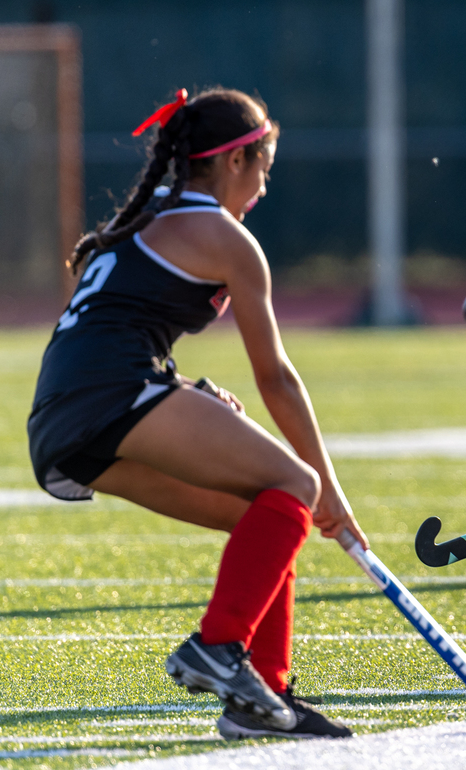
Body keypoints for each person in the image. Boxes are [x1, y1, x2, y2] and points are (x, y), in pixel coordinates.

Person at [27, 87, 365, 739]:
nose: (263, 189)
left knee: (264, 517)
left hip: (64, 420)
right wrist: (331, 491)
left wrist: (183, 388)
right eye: (263, 170)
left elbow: (111, 325)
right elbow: (278, 379)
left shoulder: (144, 218)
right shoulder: (224, 237)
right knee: (296, 487)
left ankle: (264, 700)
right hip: (111, 394)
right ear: (236, 161)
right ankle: (217, 647)